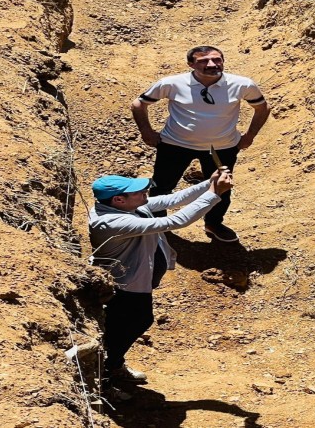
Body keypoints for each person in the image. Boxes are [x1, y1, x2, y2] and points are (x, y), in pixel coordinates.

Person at [88, 168, 232, 399]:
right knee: (126, 327)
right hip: (125, 287)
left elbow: (172, 200)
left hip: (137, 280)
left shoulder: (129, 206)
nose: (144, 192)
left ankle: (113, 364)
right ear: (118, 199)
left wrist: (209, 182)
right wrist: (214, 193)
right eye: (137, 191)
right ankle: (104, 377)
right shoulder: (113, 222)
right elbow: (177, 220)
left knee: (132, 324)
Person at [130, 45, 270, 243]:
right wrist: (146, 131)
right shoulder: (172, 83)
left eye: (216, 59)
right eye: (203, 61)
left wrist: (250, 136)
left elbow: (262, 108)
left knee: (221, 187)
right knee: (161, 187)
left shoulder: (242, 85)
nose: (211, 64)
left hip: (221, 147)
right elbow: (139, 104)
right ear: (191, 64)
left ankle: (214, 224)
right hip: (175, 145)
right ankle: (157, 226)